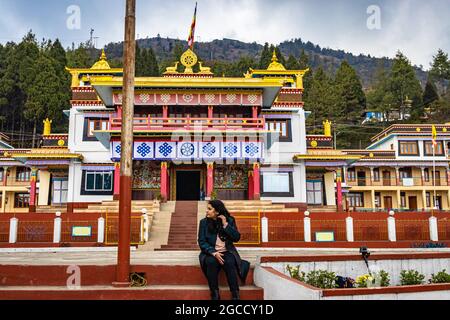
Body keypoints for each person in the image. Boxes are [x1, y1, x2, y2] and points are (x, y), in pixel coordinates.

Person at [198, 200, 250, 300]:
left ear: (217, 211)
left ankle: (235, 294)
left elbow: (236, 238)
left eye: (209, 209)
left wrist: (225, 225)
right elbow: (202, 241)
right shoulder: (203, 223)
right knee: (210, 262)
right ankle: (215, 294)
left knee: (230, 262)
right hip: (211, 252)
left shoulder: (230, 220)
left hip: (227, 251)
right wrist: (213, 252)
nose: (206, 211)